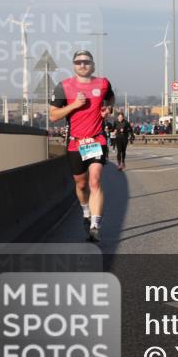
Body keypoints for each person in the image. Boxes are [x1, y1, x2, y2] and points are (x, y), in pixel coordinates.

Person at [49, 50, 115, 242]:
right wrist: (74, 105)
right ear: (73, 65)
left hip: (96, 140)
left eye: (87, 62)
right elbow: (53, 116)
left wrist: (108, 108)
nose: (83, 65)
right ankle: (86, 211)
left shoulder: (103, 83)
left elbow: (110, 98)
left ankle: (95, 225)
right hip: (75, 143)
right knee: (81, 184)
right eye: (78, 62)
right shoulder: (63, 86)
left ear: (93, 65)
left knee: (95, 181)